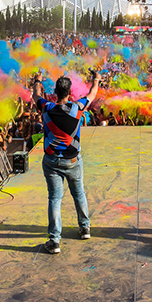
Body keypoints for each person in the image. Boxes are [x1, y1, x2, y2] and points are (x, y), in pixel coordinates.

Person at [31, 70, 101, 254]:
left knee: (55, 199)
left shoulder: (47, 107)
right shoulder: (77, 108)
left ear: (55, 92)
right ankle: (84, 228)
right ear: (70, 92)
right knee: (79, 193)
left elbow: (35, 95)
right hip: (72, 161)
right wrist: (97, 79)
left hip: (52, 161)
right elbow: (92, 95)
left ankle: (54, 241)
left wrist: (37, 81)